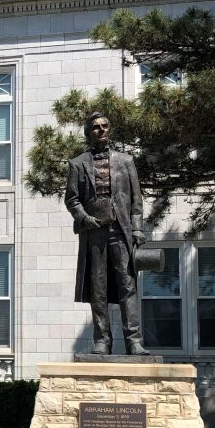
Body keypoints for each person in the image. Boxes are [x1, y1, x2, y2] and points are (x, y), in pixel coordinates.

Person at [64, 112, 147, 354]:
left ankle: (134, 340)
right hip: (94, 232)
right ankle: (102, 339)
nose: (102, 130)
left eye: (105, 126)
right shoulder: (78, 164)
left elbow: (136, 199)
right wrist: (83, 217)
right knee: (98, 287)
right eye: (96, 127)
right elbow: (71, 199)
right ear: (89, 133)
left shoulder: (126, 161)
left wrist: (138, 228)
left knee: (127, 285)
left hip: (121, 231)